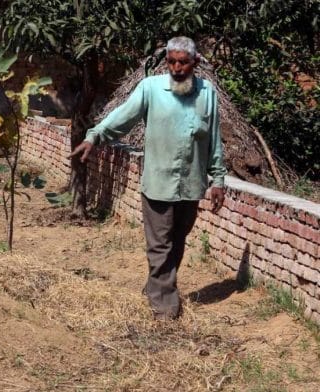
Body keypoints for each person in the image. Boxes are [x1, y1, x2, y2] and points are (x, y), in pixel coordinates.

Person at [70, 36, 226, 320]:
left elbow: (214, 139)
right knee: (160, 245)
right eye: (172, 62)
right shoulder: (150, 89)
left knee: (177, 241)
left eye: (183, 62)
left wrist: (218, 180)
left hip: (191, 185)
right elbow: (122, 117)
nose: (177, 68)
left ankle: (155, 288)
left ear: (196, 63)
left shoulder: (208, 94)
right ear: (167, 62)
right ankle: (165, 310)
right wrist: (94, 136)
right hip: (157, 183)